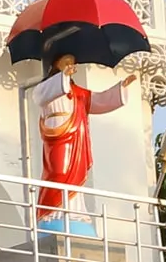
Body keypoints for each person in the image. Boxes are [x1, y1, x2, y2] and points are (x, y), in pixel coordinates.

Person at [32, 50, 125, 228]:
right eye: (66, 62)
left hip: (76, 136)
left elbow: (98, 100)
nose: (70, 65)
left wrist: (121, 89)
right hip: (57, 134)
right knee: (58, 171)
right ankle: (52, 211)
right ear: (56, 64)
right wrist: (62, 78)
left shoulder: (77, 92)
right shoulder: (48, 87)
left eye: (72, 62)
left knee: (75, 174)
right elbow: (39, 96)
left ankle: (74, 211)